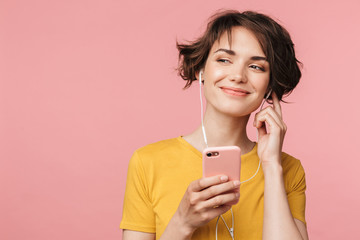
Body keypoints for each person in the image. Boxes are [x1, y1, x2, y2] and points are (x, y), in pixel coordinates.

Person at [120, 10, 308, 240]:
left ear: (269, 87)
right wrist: (182, 221)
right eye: (224, 60)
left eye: (257, 66)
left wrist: (271, 166)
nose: (238, 75)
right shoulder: (147, 162)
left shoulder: (287, 170)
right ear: (201, 71)